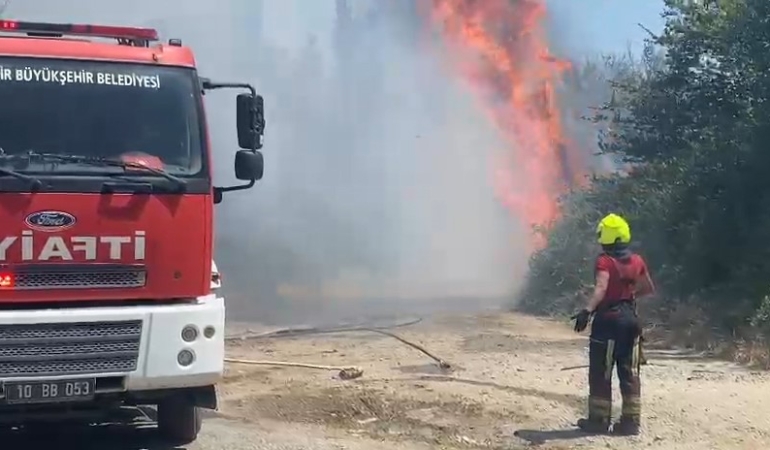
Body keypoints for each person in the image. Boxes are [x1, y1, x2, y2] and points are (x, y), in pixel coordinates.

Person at [572, 213, 655, 436]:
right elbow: (648, 288)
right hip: (631, 324)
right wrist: (628, 296)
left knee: (601, 372)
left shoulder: (604, 261)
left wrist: (587, 310)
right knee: (629, 373)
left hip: (608, 324)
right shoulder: (637, 261)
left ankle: (598, 421)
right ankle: (630, 423)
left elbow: (601, 288)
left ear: (605, 237)